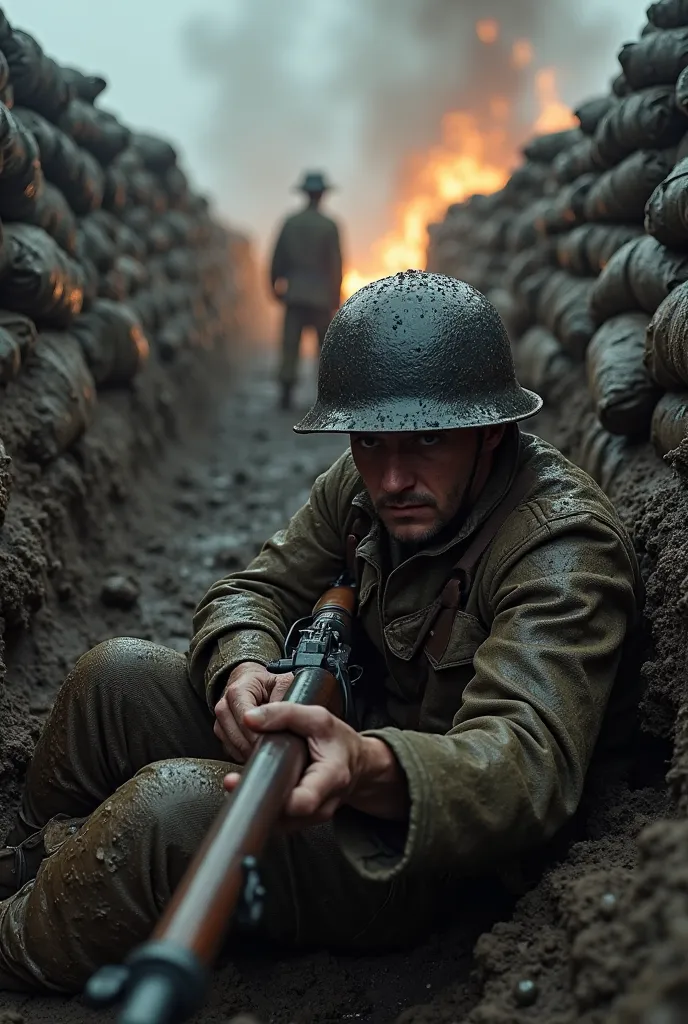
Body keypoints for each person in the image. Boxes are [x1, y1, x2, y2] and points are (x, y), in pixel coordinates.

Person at [0, 271, 642, 994]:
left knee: (170, 811)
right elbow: (257, 590)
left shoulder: (561, 547)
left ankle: (16, 948)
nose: (392, 476)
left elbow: (527, 764)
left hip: (422, 848)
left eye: (427, 438)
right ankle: (30, 858)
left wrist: (369, 765)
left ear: (491, 430)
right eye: (369, 441)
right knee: (110, 681)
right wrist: (241, 671)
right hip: (341, 736)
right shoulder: (366, 481)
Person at [269, 170, 343, 410]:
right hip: (321, 297)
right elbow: (336, 264)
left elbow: (276, 259)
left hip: (296, 294)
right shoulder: (329, 226)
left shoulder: (290, 223)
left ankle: (286, 393)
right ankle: (328, 397)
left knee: (290, 346)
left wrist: (274, 287)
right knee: (325, 350)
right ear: (322, 195)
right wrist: (335, 295)